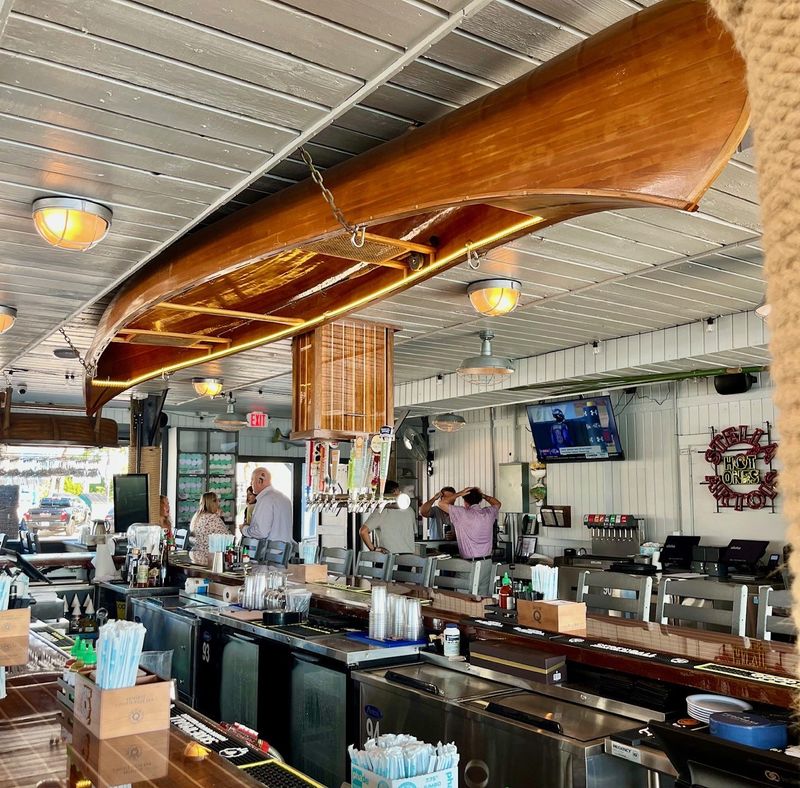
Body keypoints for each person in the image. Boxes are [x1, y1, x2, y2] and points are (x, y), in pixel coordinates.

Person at [438, 487, 501, 594]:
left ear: (465, 502)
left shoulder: (461, 513)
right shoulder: (488, 513)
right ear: (479, 500)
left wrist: (459, 493)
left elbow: (441, 503)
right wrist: (482, 495)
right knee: (482, 599)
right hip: (487, 564)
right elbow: (497, 503)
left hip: (469, 564)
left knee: (462, 600)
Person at [360, 480, 416, 555]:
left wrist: (373, 549)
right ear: (394, 492)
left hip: (389, 556)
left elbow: (363, 531)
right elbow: (414, 533)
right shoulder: (410, 510)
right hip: (408, 558)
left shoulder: (381, 511)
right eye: (399, 491)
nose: (400, 493)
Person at [241, 467, 293, 546]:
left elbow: (261, 532)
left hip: (270, 550)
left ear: (259, 481)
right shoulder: (284, 498)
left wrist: (244, 529)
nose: (250, 483)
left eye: (252, 480)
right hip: (285, 550)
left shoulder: (265, 499)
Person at [189, 491, 229, 565]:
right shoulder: (213, 518)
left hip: (195, 556)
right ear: (213, 503)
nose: (219, 504)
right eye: (217, 501)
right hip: (209, 559)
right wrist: (220, 518)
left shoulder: (197, 516)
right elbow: (226, 539)